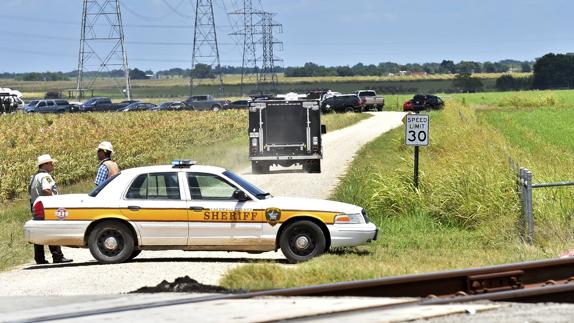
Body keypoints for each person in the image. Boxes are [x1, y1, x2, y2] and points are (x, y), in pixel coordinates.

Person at [29, 154, 73, 264]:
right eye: (51, 163)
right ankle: (57, 256)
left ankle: (39, 258)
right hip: (47, 207)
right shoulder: (45, 177)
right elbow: (46, 190)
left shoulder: (34, 177)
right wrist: (55, 200)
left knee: (39, 232)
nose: (53, 165)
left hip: (36, 207)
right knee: (52, 230)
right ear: (45, 164)